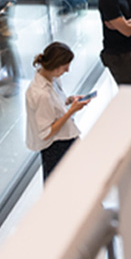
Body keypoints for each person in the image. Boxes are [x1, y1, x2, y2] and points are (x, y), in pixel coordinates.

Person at [25, 42, 90, 180]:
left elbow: (54, 105)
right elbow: (46, 133)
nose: (67, 70)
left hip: (65, 138)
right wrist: (70, 112)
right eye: (65, 66)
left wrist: (69, 101)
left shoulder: (51, 79)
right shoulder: (41, 94)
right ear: (55, 66)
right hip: (56, 146)